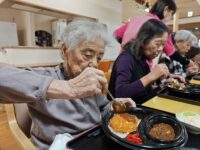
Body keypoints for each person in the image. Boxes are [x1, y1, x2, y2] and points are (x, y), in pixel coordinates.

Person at [0, 20, 135, 149]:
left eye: (99, 58)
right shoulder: (46, 76)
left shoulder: (92, 80)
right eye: (87, 54)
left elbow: (101, 106)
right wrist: (68, 88)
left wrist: (112, 105)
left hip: (96, 140)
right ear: (64, 50)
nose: (94, 63)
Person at [108, 19, 169, 104]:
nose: (160, 49)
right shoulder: (126, 59)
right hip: (122, 113)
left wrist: (162, 86)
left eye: (163, 45)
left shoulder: (142, 59)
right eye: (158, 44)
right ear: (144, 40)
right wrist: (150, 76)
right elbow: (120, 94)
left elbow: (145, 94)